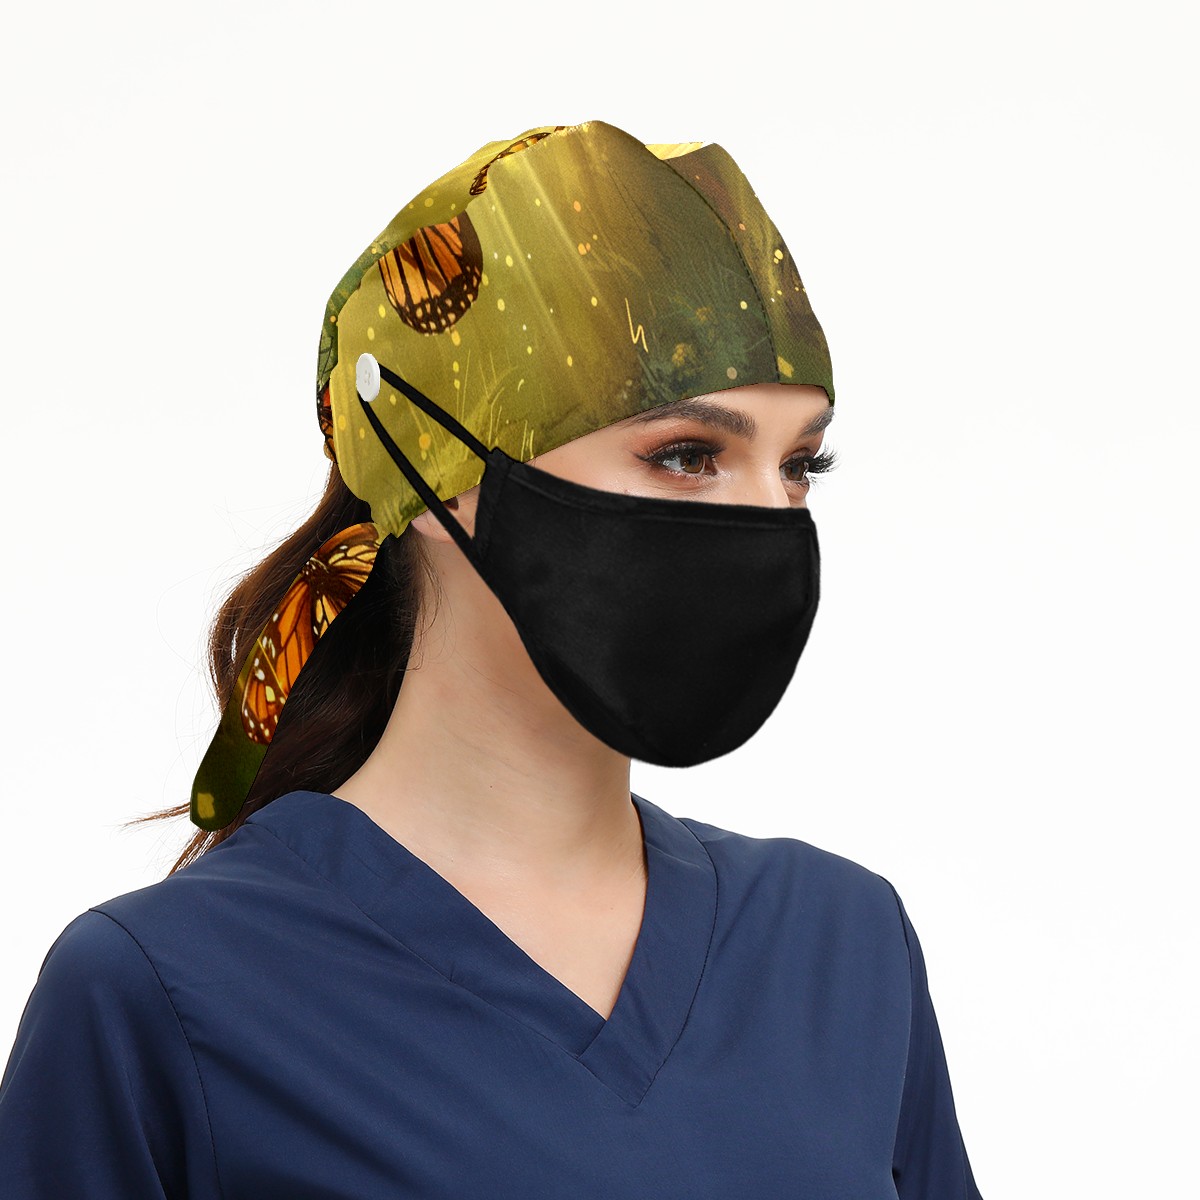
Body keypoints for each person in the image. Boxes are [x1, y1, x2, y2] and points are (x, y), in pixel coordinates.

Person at [0, 120, 984, 1198]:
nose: (770, 522)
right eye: (686, 455)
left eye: (800, 466)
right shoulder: (160, 995)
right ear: (438, 475)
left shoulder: (841, 945)